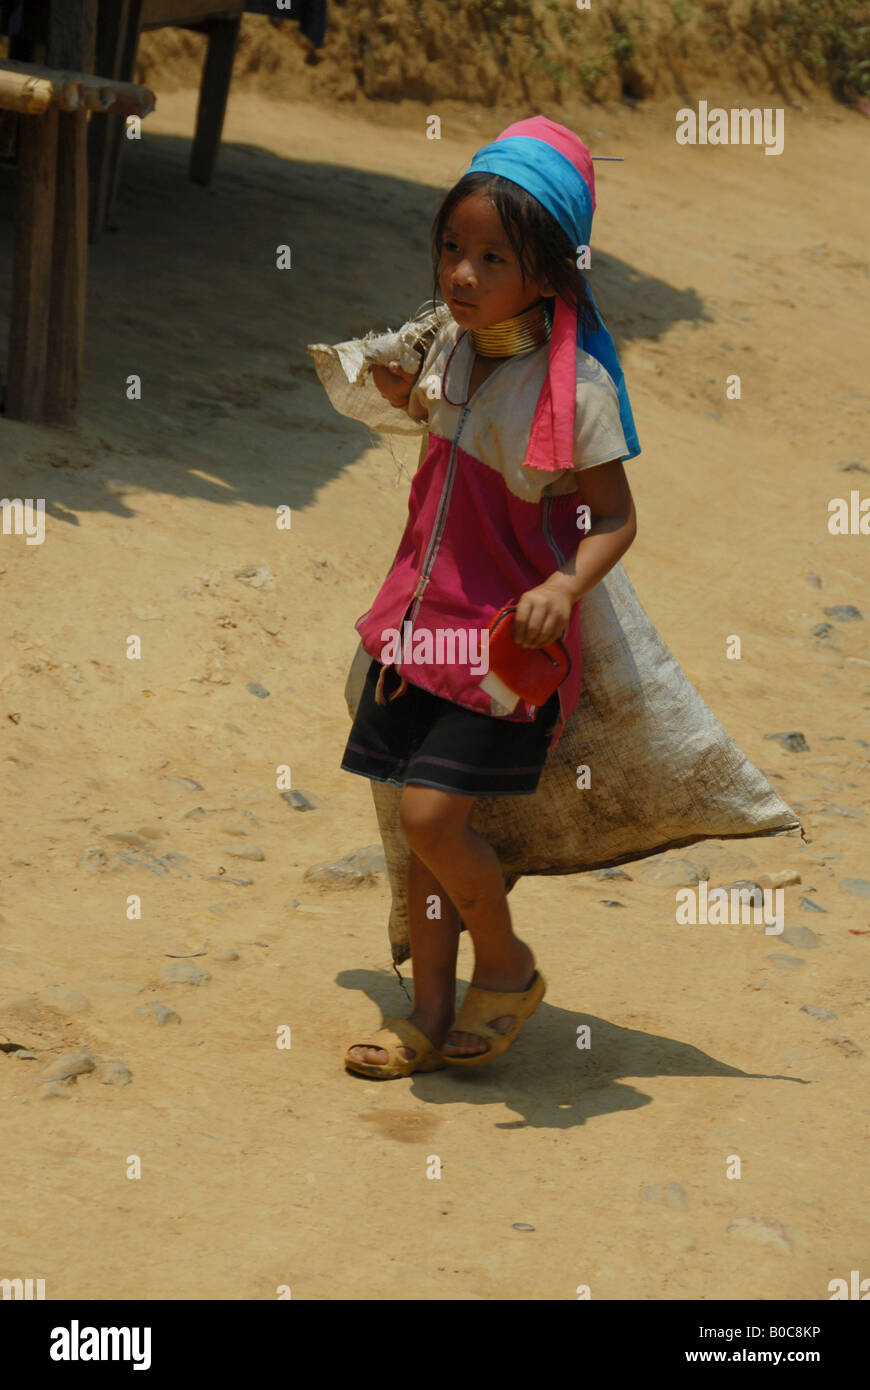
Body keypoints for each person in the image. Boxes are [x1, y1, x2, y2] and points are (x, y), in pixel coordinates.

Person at [328, 116, 643, 1079]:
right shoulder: (453, 352)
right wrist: (400, 396)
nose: (461, 274)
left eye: (491, 257)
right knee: (420, 839)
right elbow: (440, 430)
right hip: (419, 628)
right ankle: (426, 1013)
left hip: (504, 650)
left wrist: (565, 582)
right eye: (452, 250)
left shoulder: (577, 386)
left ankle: (504, 966)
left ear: (550, 273)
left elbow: (616, 519)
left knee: (430, 820)